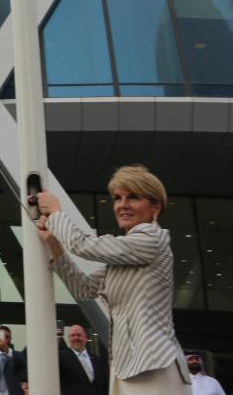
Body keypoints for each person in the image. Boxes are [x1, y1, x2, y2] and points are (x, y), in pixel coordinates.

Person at [36, 165, 191, 394]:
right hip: (127, 366)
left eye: (133, 197)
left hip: (154, 363)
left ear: (156, 207)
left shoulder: (152, 239)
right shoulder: (126, 254)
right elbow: (84, 288)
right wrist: (53, 244)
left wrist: (56, 212)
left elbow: (84, 245)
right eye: (118, 198)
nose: (122, 205)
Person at [58, 325, 106, 395]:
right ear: (69, 339)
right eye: (72, 335)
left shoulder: (97, 359)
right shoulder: (61, 358)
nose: (76, 338)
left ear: (85, 338)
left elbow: (103, 384)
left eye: (79, 335)